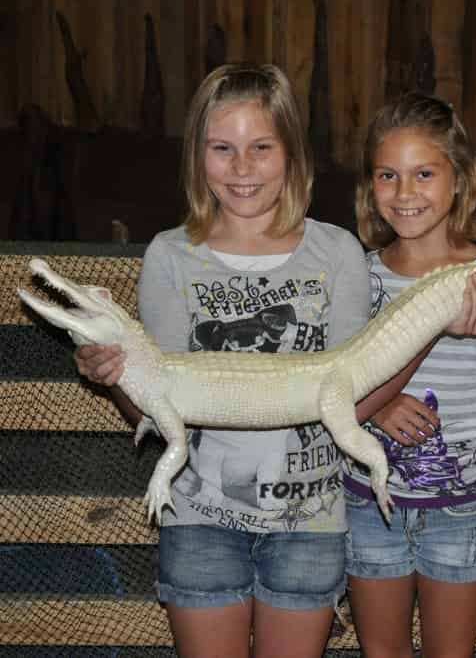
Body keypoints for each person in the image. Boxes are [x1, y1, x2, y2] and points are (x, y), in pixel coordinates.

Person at [74, 63, 390, 658]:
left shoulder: (338, 251)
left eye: (261, 148)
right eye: (223, 148)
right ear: (198, 156)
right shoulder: (170, 255)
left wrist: (419, 348)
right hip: (199, 515)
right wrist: (113, 373)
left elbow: (354, 387)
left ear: (292, 153)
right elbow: (153, 397)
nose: (242, 169)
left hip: (310, 515)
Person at [343, 91, 476, 658]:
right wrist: (377, 405)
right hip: (367, 500)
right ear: (370, 187)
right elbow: (337, 393)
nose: (405, 194)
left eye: (424, 173)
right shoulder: (359, 278)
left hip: (462, 509)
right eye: (388, 175)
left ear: (460, 179)